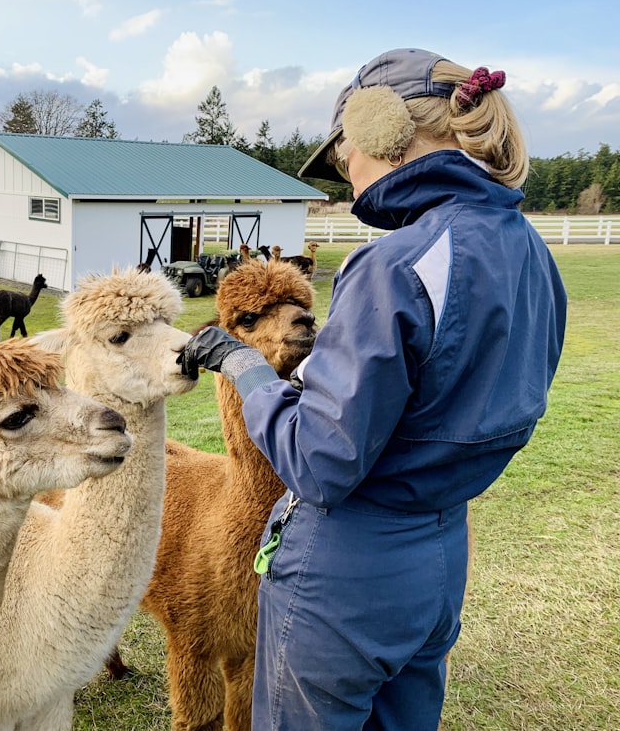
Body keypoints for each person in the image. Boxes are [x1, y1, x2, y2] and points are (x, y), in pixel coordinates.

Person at [180, 48, 567, 730]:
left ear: (377, 130)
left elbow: (321, 462)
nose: (347, 177)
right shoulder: (529, 250)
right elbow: (447, 387)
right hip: (441, 551)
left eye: (341, 159)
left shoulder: (395, 262)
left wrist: (245, 371)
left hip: (349, 566)